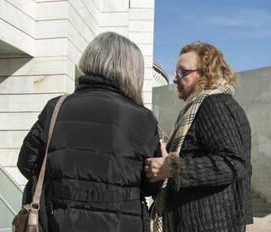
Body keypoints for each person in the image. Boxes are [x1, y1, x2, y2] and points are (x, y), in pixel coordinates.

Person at [17, 32, 162, 232]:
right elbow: (151, 185)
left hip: (58, 222)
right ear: (132, 71)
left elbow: (26, 164)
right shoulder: (142, 119)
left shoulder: (56, 107)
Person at [144, 42, 253, 232]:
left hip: (209, 222)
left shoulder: (214, 104)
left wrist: (172, 168)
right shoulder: (201, 105)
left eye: (182, 72)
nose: (175, 79)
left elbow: (234, 162)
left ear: (206, 73)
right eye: (175, 73)